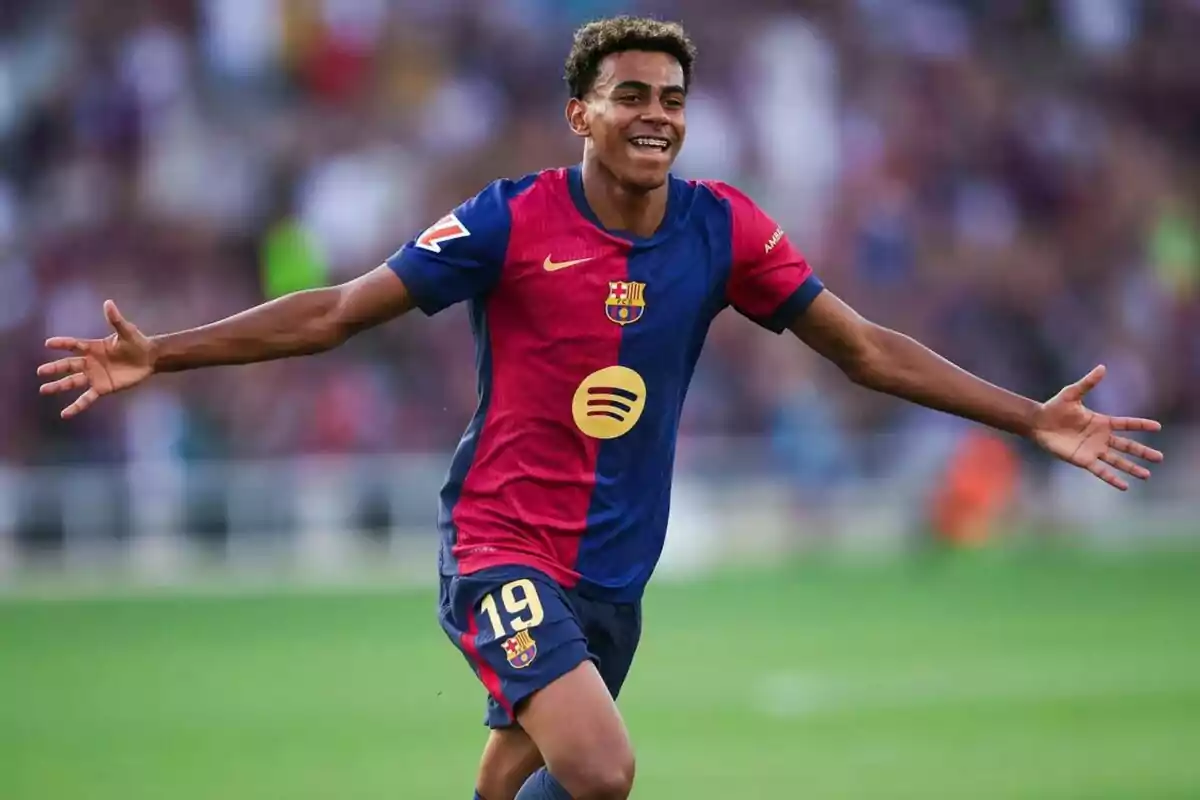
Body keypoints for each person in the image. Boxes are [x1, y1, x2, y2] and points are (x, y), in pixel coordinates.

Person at [37, 16, 1163, 800]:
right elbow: (336, 311)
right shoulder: (508, 220)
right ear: (583, 110)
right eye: (632, 95)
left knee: (516, 771)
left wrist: (1029, 417)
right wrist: (166, 354)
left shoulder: (726, 229)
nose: (656, 115)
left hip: (615, 573)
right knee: (603, 767)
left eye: (673, 99)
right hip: (499, 547)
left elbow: (863, 349)